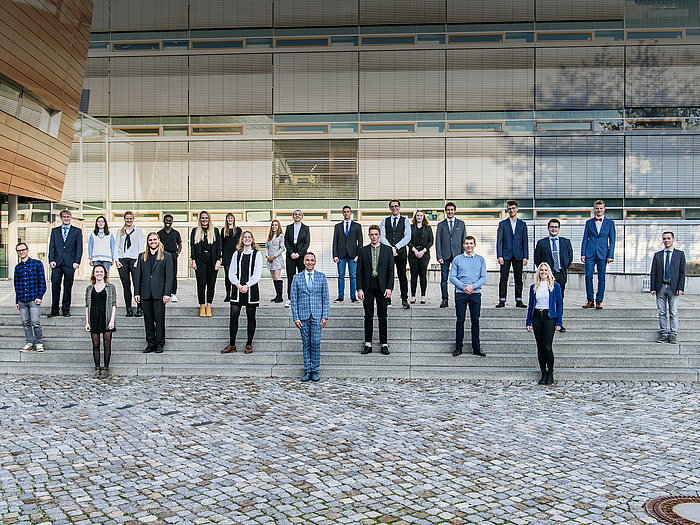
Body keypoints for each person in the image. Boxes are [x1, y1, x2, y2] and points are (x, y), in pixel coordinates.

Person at [291, 252, 329, 382]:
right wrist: (296, 317)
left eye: (312, 260)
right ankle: (307, 370)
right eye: (307, 260)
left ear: (315, 262)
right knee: (306, 344)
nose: (309, 262)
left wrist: (325, 316)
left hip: (317, 316)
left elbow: (326, 298)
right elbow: (294, 300)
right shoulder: (296, 278)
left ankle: (315, 370)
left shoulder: (321, 277)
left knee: (316, 343)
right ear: (303, 262)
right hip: (303, 316)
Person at [222, 231, 262, 355]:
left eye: (249, 237)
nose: (247, 239)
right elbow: (232, 271)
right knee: (233, 316)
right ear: (241, 240)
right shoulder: (236, 254)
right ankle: (232, 344)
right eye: (245, 237)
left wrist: (247, 285)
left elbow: (257, 273)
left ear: (252, 240)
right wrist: (238, 285)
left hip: (251, 289)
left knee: (251, 316)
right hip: (237, 288)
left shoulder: (257, 254)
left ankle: (249, 344)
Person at [357, 225, 394, 355]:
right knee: (368, 315)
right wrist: (359, 289)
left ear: (379, 235)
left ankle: (384, 343)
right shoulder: (363, 251)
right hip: (367, 285)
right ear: (369, 236)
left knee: (382, 316)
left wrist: (389, 287)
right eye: (371, 234)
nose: (374, 237)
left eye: (376, 234)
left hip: (382, 285)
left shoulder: (387, 250)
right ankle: (368, 343)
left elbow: (390, 271)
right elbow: (359, 271)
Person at [134, 232, 173, 354]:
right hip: (145, 293)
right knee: (148, 319)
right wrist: (136, 292)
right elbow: (137, 276)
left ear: (159, 240)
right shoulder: (141, 257)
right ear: (148, 242)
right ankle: (150, 342)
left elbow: (169, 276)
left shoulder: (166, 256)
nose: (152, 242)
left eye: (154, 240)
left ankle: (159, 343)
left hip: (159, 293)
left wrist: (167, 293)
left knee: (159, 319)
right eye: (150, 240)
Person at [526, 263, 563, 385]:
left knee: (547, 347)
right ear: (538, 272)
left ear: (549, 272)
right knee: (540, 347)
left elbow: (559, 305)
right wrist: (528, 321)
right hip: (537, 317)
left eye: (545, 270)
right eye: (541, 270)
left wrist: (558, 321)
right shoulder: (534, 287)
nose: (543, 272)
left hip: (549, 317)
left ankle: (550, 372)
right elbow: (531, 304)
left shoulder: (555, 286)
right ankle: (543, 373)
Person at [450, 236, 487, 357]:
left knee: (475, 321)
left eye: (471, 243)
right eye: (467, 243)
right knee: (460, 320)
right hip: (461, 294)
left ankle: (476, 347)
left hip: (475, 294)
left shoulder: (480, 260)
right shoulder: (457, 259)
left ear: (475, 245)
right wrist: (463, 287)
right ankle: (458, 347)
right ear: (463, 245)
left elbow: (483, 277)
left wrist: (473, 287)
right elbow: (452, 277)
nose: (469, 245)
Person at [534, 219, 573, 332]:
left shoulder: (565, 242)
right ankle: (549, 320)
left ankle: (558, 322)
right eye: (552, 227)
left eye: (556, 227)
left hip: (560, 274)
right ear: (548, 228)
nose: (554, 229)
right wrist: (545, 272)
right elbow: (537, 259)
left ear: (559, 228)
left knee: (559, 299)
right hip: (547, 275)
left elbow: (569, 257)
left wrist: (563, 268)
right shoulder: (542, 243)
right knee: (547, 297)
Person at [650, 231, 686, 344]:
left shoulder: (680, 254)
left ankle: (673, 333)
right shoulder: (658, 255)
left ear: (673, 239)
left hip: (673, 287)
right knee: (661, 312)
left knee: (673, 312)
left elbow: (682, 273)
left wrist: (681, 287)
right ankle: (664, 333)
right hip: (661, 287)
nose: (666, 241)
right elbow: (653, 272)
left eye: (669, 238)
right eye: (664, 239)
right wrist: (652, 287)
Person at [48, 209, 83, 317]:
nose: (66, 219)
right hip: (57, 263)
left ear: (71, 218)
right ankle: (54, 309)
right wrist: (51, 260)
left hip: (69, 263)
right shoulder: (55, 231)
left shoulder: (76, 231)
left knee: (68, 286)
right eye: (64, 217)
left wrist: (77, 261)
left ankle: (66, 309)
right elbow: (51, 247)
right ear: (61, 218)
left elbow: (79, 248)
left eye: (68, 217)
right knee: (55, 285)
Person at [581, 200, 615, 309]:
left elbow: (612, 240)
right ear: (594, 209)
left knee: (601, 277)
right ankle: (590, 300)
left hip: (603, 253)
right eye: (597, 208)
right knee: (588, 276)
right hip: (590, 252)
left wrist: (611, 255)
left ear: (604, 209)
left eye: (601, 208)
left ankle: (599, 300)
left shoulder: (610, 223)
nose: (599, 210)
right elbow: (585, 239)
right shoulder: (589, 222)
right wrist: (583, 253)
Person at [84, 264, 117, 379]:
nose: (99, 274)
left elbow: (113, 304)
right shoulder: (89, 288)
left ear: (105, 273)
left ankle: (106, 368)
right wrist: (87, 322)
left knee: (107, 343)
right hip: (94, 317)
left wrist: (112, 320)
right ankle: (97, 368)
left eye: (101, 272)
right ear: (93, 274)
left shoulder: (110, 287)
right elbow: (87, 306)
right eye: (97, 272)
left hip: (106, 316)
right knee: (96, 344)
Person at [14, 242, 46, 353]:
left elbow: (42, 282)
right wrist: (17, 300)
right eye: (19, 251)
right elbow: (17, 285)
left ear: (27, 250)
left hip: (33, 298)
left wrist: (40, 296)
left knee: (35, 322)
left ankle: (38, 343)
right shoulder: (17, 268)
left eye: (23, 249)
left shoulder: (37, 264)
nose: (21, 252)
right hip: (22, 299)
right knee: (25, 323)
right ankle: (29, 343)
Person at [496, 200, 528, 308]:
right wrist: (499, 255)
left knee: (518, 278)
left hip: (518, 254)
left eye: (513, 208)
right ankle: (502, 300)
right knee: (504, 278)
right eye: (509, 208)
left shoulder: (522, 224)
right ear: (507, 210)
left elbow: (525, 241)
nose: (512, 210)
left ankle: (519, 300)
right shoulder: (503, 224)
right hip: (506, 255)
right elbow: (499, 241)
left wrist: (526, 256)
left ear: (517, 209)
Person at [380, 199, 411, 309]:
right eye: (392, 206)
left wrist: (396, 247)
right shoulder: (385, 221)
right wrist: (390, 248)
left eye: (396, 206)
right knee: (387, 275)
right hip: (387, 252)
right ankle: (387, 299)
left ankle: (404, 299)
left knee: (402, 275)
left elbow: (407, 237)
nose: (394, 208)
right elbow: (382, 236)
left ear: (399, 207)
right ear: (390, 208)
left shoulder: (406, 221)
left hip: (401, 252)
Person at [190, 211, 222, 317]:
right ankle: (202, 306)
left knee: (211, 284)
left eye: (206, 218)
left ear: (209, 219)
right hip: (200, 261)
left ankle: (209, 305)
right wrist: (193, 260)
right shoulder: (195, 231)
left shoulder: (215, 231)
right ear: (200, 219)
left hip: (212, 261)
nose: (204, 220)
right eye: (202, 218)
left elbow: (219, 247)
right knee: (201, 284)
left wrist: (218, 260)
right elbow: (193, 247)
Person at [435, 202, 466, 308]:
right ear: (445, 211)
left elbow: (464, 240)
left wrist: (464, 255)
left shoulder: (461, 224)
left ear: (455, 210)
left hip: (458, 255)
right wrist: (439, 256)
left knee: (459, 278)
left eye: (452, 209)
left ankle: (459, 298)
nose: (450, 212)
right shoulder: (441, 225)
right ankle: (445, 299)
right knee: (444, 279)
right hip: (445, 255)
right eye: (448, 210)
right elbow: (438, 241)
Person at [332, 205, 363, 303]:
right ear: (342, 213)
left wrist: (359, 255)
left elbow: (360, 241)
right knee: (341, 276)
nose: (346, 213)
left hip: (353, 255)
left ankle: (353, 296)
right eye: (344, 211)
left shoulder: (357, 226)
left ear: (351, 213)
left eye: (348, 211)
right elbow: (335, 241)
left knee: (353, 276)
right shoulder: (337, 226)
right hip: (341, 254)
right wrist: (335, 255)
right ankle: (340, 296)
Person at [115, 211, 144, 318]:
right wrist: (117, 260)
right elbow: (116, 245)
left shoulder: (138, 231)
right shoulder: (120, 231)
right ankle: (128, 308)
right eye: (127, 218)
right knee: (126, 285)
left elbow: (141, 247)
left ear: (133, 219)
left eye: (130, 218)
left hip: (134, 259)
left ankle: (140, 307)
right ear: (124, 219)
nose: (129, 220)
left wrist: (138, 260)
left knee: (137, 284)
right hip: (123, 259)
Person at [284, 210, 310, 307]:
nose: (297, 216)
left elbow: (306, 243)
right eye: (295, 214)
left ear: (302, 216)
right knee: (291, 277)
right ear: (293, 216)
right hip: (290, 255)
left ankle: (302, 298)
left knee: (302, 277)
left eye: (299, 214)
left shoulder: (306, 228)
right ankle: (290, 298)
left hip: (301, 255)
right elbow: (286, 242)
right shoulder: (289, 227)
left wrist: (299, 254)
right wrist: (291, 253)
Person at [408, 210, 433, 304]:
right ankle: (413, 296)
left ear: (423, 217)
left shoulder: (428, 228)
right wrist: (415, 250)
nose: (419, 217)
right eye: (417, 215)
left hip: (424, 254)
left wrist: (422, 251)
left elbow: (431, 241)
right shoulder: (410, 228)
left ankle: (423, 296)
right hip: (413, 254)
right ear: (415, 217)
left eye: (421, 216)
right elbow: (408, 240)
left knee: (423, 275)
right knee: (413, 275)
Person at [157, 214, 182, 303]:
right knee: (161, 274)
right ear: (163, 221)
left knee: (173, 274)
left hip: (172, 255)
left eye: (169, 220)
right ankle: (162, 292)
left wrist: (177, 253)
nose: (168, 222)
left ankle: (173, 293)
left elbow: (180, 244)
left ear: (172, 222)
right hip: (162, 255)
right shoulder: (159, 233)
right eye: (166, 220)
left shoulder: (176, 233)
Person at [220, 212, 242, 303]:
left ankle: (235, 294)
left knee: (236, 274)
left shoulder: (238, 230)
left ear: (234, 219)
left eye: (231, 218)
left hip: (236, 254)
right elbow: (221, 243)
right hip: (226, 254)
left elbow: (241, 242)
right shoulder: (223, 230)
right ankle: (227, 294)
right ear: (226, 220)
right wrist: (220, 255)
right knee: (228, 276)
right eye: (228, 218)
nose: (230, 220)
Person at [265, 219, 286, 303]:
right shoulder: (270, 236)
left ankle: (280, 296)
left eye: (276, 225)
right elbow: (266, 246)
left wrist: (274, 256)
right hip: (270, 259)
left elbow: (282, 248)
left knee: (277, 277)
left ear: (278, 226)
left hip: (277, 259)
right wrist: (267, 255)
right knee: (274, 278)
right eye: (273, 225)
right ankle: (277, 295)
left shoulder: (281, 236)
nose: (274, 226)